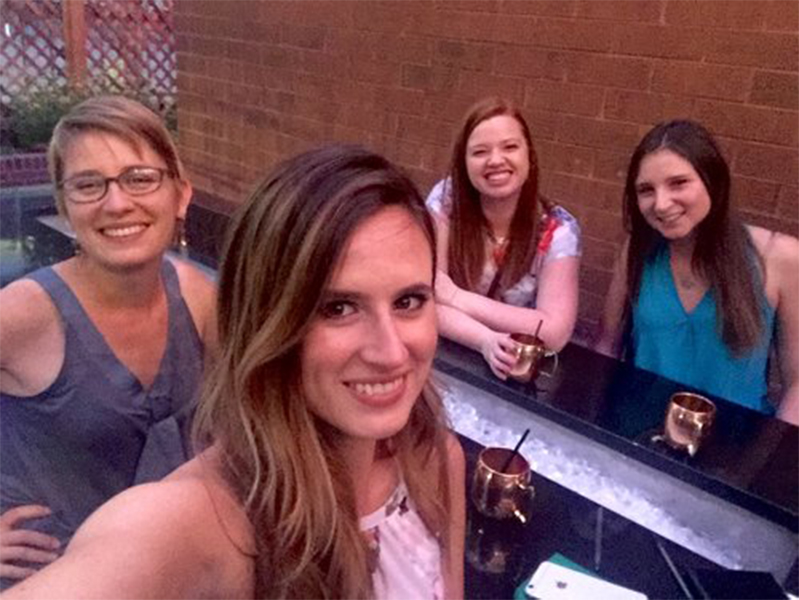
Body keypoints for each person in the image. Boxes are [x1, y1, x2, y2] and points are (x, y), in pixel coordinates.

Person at [5, 145, 466, 599]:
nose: (390, 352)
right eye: (338, 307)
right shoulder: (203, 525)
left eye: (409, 301)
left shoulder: (434, 461)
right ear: (269, 320)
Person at [0, 96, 217, 586]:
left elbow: (256, 417)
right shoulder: (23, 315)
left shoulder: (199, 299)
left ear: (180, 195)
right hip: (50, 580)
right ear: (62, 204)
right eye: (88, 185)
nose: (117, 203)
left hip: (162, 574)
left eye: (140, 178)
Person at [595, 119, 798, 426]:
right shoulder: (637, 253)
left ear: (712, 180)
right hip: (640, 434)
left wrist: (775, 458)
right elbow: (607, 346)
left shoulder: (778, 257)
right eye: (646, 190)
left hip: (732, 447)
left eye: (678, 183)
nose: (661, 204)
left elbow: (797, 383)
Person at [427, 97, 581, 379]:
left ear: (529, 156)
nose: (496, 160)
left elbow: (554, 332)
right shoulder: (445, 201)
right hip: (446, 358)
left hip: (513, 368)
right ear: (463, 162)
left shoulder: (559, 230)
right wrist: (484, 340)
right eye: (480, 152)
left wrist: (456, 297)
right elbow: (426, 300)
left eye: (510, 147)